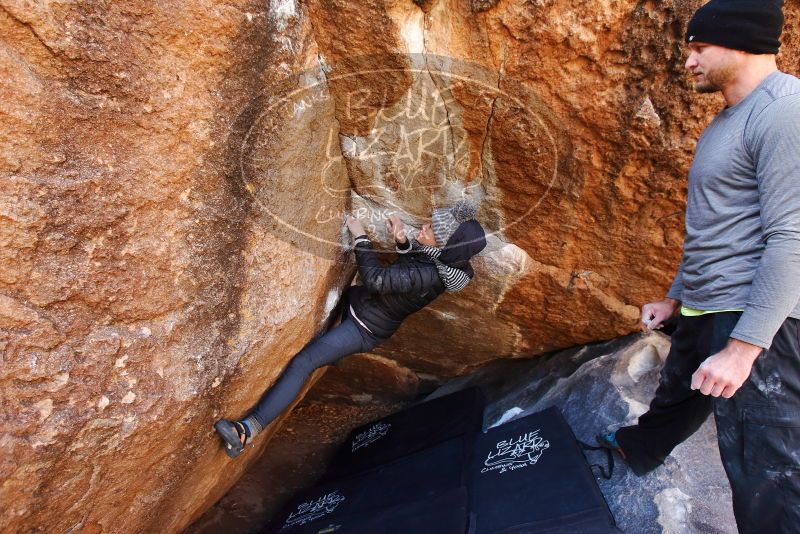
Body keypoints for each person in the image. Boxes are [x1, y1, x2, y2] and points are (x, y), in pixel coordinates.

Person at [596, 1, 800, 532]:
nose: (688, 62)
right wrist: (674, 297)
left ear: (742, 44)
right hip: (708, 303)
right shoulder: (727, 120)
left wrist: (743, 349)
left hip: (756, 320)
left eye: (699, 49)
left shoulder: (786, 110)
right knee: (679, 392)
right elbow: (714, 227)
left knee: (765, 470)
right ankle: (636, 450)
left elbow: (792, 237)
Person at [215, 200, 487, 458]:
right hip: (361, 307)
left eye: (432, 230)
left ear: (443, 247)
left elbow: (376, 279)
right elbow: (412, 269)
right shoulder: (440, 263)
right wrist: (403, 241)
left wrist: (360, 236)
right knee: (316, 352)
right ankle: (335, 354)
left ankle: (247, 430)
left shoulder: (430, 275)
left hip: (363, 328)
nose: (425, 227)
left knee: (304, 362)